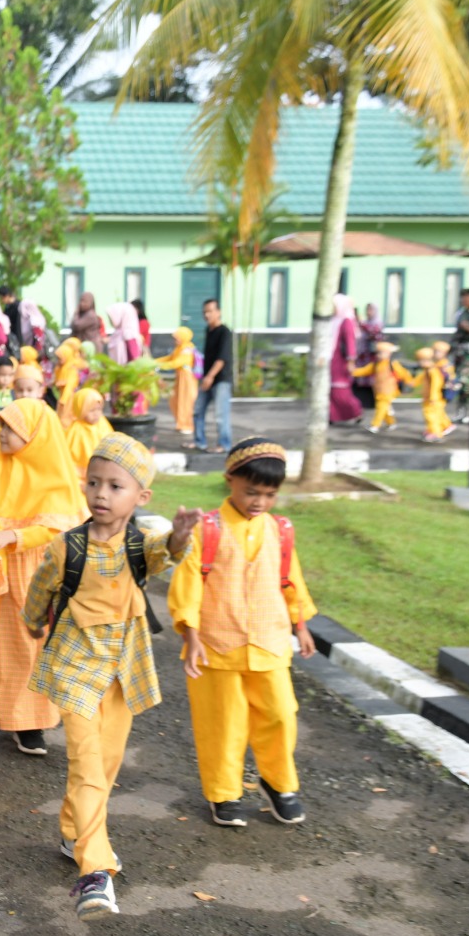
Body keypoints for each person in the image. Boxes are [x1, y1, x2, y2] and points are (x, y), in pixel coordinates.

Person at [23, 433, 196, 919]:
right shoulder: (67, 547)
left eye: (115, 486)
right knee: (87, 765)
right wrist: (34, 619)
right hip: (77, 664)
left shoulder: (139, 545)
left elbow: (166, 553)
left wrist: (181, 537)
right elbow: (41, 589)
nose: (101, 493)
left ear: (141, 497)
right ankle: (94, 873)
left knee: (109, 759)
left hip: (124, 666)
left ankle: (72, 831)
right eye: (94, 482)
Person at [168, 439, 317, 828]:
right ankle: (224, 793)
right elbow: (189, 583)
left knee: (281, 714)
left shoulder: (281, 531)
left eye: (269, 494)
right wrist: (191, 633)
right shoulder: (208, 529)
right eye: (251, 491)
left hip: (269, 641)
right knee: (223, 722)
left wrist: (300, 625)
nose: (259, 501)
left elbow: (290, 580)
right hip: (217, 646)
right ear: (229, 479)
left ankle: (278, 783)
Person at [0, 399, 86, 755]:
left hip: (30, 572)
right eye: (2, 426)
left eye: (11, 428)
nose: (2, 434)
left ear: (34, 435)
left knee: (26, 646)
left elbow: (57, 525)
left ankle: (28, 721)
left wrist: (13, 536)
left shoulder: (52, 471)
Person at [192, 299, 233, 453]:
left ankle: (224, 444)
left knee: (221, 414)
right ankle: (199, 441)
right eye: (205, 312)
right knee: (198, 410)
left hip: (221, 379)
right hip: (207, 377)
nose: (207, 315)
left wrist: (210, 377)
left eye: (210, 311)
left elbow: (222, 358)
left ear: (218, 312)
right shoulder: (208, 331)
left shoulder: (225, 332)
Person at [353, 342, 411, 433]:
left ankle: (375, 425)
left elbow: (403, 373)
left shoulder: (392, 364)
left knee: (381, 407)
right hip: (379, 391)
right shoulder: (376, 364)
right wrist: (352, 371)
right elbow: (364, 371)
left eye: (381, 352)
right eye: (378, 353)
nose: (378, 355)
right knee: (385, 409)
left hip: (388, 391)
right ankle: (391, 423)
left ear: (388, 353)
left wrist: (410, 382)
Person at [155, 327, 198, 438]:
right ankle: (181, 423)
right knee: (176, 400)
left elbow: (176, 363)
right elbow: (170, 358)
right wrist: (154, 362)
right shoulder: (180, 348)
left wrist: (159, 365)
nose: (175, 340)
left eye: (177, 338)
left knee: (186, 402)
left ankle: (187, 425)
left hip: (187, 379)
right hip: (180, 377)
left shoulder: (187, 349)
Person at [64, 389, 113, 484]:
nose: (96, 414)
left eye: (99, 409)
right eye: (91, 410)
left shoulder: (103, 424)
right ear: (80, 409)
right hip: (81, 475)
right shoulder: (76, 430)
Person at [328, 294, 363, 425]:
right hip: (332, 360)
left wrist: (351, 361)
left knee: (340, 390)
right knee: (332, 391)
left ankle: (356, 412)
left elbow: (350, 342)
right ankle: (333, 416)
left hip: (341, 361)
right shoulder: (334, 321)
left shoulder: (346, 321)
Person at [407, 347, 453, 442]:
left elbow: (436, 385)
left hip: (434, 399)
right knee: (432, 415)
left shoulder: (433, 371)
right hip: (429, 398)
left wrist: (433, 397)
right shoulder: (427, 371)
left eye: (421, 361)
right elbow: (415, 382)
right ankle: (431, 430)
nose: (419, 363)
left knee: (431, 416)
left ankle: (436, 433)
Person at [0, 285, 46, 355]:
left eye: (2, 297)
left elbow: (19, 325)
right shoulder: (8, 307)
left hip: (19, 338)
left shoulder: (20, 307)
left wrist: (19, 341)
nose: (2, 300)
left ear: (6, 296)